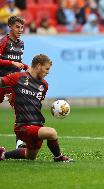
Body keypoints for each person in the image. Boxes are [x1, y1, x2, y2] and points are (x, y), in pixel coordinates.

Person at [0, 54, 73, 162]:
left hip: (37, 124)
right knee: (51, 133)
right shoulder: (18, 77)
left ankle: (3, 155)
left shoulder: (44, 85)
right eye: (47, 68)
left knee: (30, 155)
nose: (48, 72)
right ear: (39, 66)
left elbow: (35, 103)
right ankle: (59, 157)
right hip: (23, 126)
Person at [0, 15, 28, 148]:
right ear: (10, 26)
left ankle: (20, 142)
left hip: (13, 83)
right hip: (1, 81)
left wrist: (27, 68)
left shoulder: (21, 43)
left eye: (22, 27)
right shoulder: (3, 41)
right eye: (17, 26)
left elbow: (18, 62)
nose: (20, 29)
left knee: (21, 110)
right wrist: (12, 62)